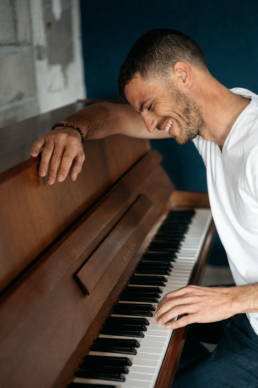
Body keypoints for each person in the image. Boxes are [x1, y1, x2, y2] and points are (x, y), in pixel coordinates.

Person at [30, 29, 258, 387]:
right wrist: (71, 129)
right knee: (151, 334)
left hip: (250, 322)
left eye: (150, 105)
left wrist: (229, 299)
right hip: (250, 315)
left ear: (182, 75)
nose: (150, 124)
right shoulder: (212, 126)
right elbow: (110, 115)